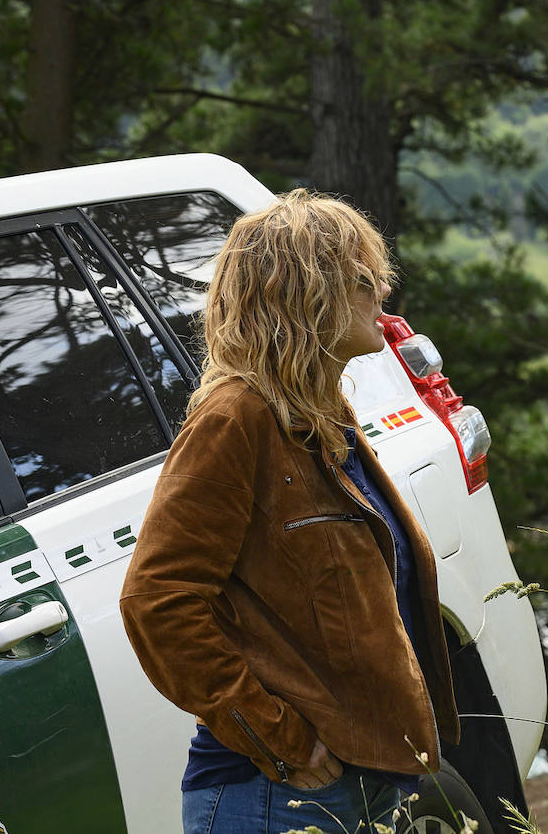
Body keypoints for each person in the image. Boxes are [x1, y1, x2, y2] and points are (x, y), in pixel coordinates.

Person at [119, 189, 459, 834]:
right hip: (274, 796)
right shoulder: (234, 418)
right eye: (365, 279)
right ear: (308, 293)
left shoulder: (318, 412)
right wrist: (286, 741)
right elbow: (157, 599)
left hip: (356, 778)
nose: (382, 294)